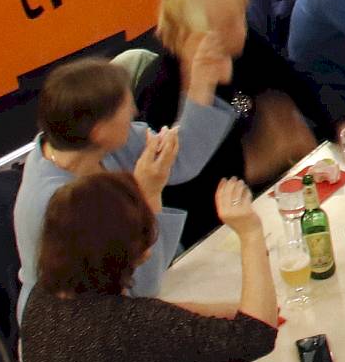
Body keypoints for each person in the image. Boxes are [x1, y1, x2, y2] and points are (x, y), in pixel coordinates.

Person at [20, 174, 276, 362]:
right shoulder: (132, 327)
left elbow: (142, 320)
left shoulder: (42, 298)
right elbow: (255, 335)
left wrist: (212, 311)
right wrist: (250, 232)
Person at [136, 0, 332, 245]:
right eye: (230, 22)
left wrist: (340, 124)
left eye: (240, 15)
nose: (242, 27)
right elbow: (183, 192)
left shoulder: (244, 48)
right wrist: (260, 158)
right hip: (213, 234)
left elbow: (296, 81)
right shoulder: (160, 95)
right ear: (199, 33)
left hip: (271, 198)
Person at [16, 58, 235, 311]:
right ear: (99, 131)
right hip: (81, 320)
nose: (134, 112)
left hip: (150, 284)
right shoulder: (60, 205)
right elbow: (138, 287)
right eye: (127, 109)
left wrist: (201, 85)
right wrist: (147, 193)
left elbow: (183, 158)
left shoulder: (86, 141)